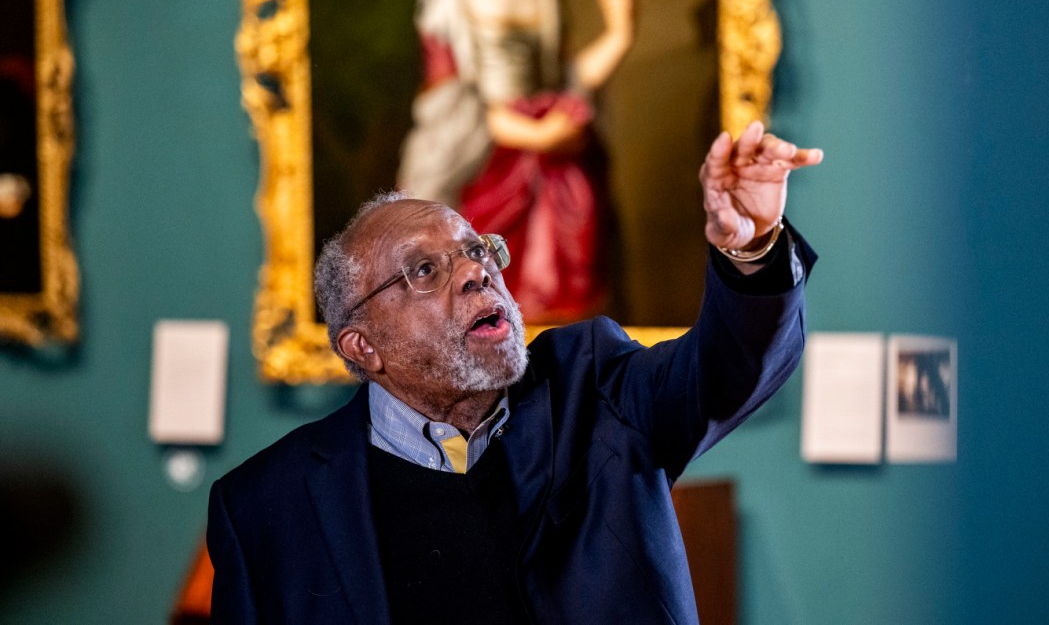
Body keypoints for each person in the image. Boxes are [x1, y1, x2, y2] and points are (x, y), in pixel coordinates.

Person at [207, 121, 823, 623]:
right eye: (425, 271)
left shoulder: (595, 385)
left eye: (477, 249)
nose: (477, 272)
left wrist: (754, 247)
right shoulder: (265, 506)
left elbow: (727, 370)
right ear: (363, 346)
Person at [395, 0, 637, 324]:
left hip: (557, 176)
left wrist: (620, 33)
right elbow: (449, 97)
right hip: (487, 170)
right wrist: (536, 136)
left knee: (568, 320)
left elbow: (566, 81)